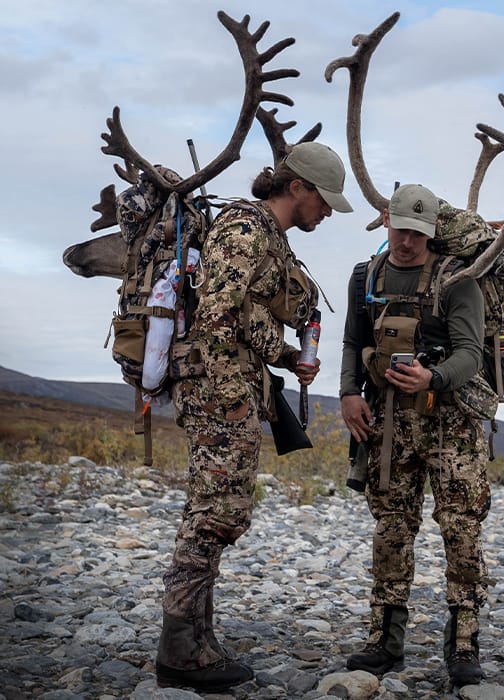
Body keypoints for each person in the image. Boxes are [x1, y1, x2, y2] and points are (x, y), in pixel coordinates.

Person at [155, 142, 354, 691]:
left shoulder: (270, 237)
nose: (325, 213)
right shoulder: (245, 230)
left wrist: (290, 357)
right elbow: (217, 317)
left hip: (233, 385)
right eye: (323, 201)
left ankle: (196, 635)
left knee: (212, 507)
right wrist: (231, 400)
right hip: (221, 390)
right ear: (297, 189)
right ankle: (179, 648)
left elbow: (247, 320)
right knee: (220, 511)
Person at [339, 183, 492, 686]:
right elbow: (352, 341)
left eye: (419, 234)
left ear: (433, 232)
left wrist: (435, 376)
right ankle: (384, 639)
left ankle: (464, 641)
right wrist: (348, 394)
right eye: (402, 230)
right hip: (386, 425)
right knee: (391, 529)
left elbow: (470, 351)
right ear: (387, 221)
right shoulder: (366, 276)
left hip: (454, 426)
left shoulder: (459, 279)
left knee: (461, 529)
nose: (408, 242)